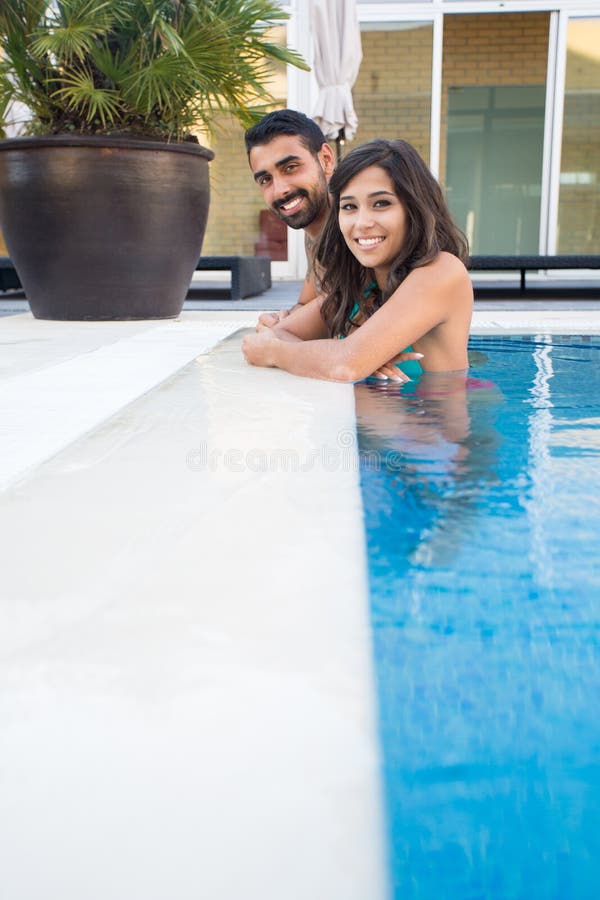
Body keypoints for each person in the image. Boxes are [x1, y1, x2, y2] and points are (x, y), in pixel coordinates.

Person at [241, 138, 473, 383]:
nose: (362, 223)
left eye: (381, 203)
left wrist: (275, 352)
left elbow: (343, 366)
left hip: (437, 418)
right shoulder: (363, 284)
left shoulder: (441, 272)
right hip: (380, 416)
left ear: (414, 209)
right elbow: (276, 333)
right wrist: (351, 357)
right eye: (350, 206)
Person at [245, 109, 335, 327]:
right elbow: (306, 305)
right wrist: (280, 320)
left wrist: (278, 333)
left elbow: (332, 310)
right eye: (266, 179)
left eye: (291, 168)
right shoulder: (316, 231)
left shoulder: (352, 229)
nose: (279, 191)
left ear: (326, 160)